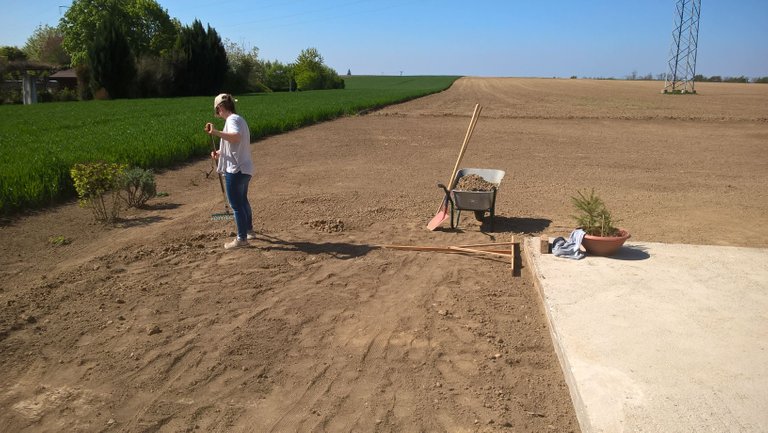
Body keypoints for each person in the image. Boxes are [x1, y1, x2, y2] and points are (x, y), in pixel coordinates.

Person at [205, 93, 256, 249]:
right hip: (245, 168)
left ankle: (241, 239)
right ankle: (249, 231)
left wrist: (215, 132)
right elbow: (235, 144)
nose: (218, 114)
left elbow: (235, 137)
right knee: (242, 201)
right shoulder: (239, 119)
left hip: (236, 170)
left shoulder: (232, 120)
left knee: (236, 205)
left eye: (217, 110)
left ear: (220, 107)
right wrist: (220, 153)